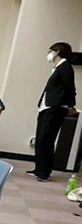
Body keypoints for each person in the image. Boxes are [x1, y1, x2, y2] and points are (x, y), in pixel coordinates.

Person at [30, 42, 77, 182]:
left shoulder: (65, 67)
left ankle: (44, 172)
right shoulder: (57, 68)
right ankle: (38, 169)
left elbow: (70, 87)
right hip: (46, 107)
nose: (49, 54)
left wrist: (70, 105)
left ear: (57, 52)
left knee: (46, 140)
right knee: (40, 139)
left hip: (56, 108)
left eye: (51, 51)